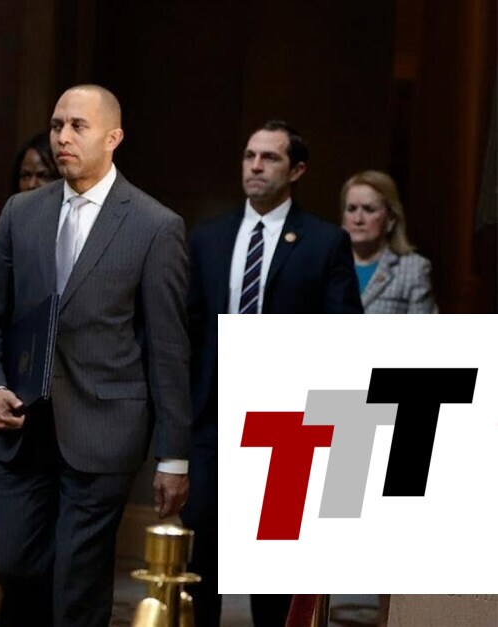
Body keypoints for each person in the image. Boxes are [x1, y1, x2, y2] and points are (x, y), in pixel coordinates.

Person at [0, 84, 191, 627]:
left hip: (104, 430)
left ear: (113, 137)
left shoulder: (155, 226)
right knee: (15, 566)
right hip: (23, 430)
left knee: (77, 585)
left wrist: (173, 457)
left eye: (78, 126)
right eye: (57, 125)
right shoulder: (21, 212)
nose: (62, 137)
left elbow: (168, 350)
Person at [184, 121, 363, 627]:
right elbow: (190, 331)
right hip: (214, 420)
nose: (256, 166)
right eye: (249, 156)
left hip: (285, 424)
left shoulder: (325, 242)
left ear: (297, 170)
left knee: (272, 570)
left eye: (270, 158)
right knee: (202, 558)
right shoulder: (209, 238)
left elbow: (344, 334)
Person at [340, 170, 437, 313]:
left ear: (391, 219)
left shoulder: (413, 269)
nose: (358, 219)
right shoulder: (325, 264)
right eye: (351, 209)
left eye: (369, 209)